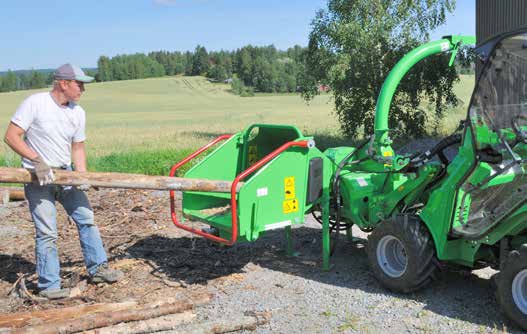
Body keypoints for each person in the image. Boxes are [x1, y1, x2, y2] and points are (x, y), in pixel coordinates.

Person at [4, 64, 123, 299]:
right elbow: (11, 136)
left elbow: (77, 147)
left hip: (66, 174)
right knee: (47, 232)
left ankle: (98, 269)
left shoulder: (78, 112)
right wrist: (37, 161)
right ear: (63, 83)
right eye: (79, 84)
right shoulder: (35, 103)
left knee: (86, 219)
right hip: (37, 177)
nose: (83, 90)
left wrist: (82, 176)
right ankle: (50, 286)